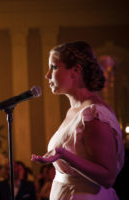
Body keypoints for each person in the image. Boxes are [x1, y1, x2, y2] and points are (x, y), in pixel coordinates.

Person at [31, 41, 124, 200]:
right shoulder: (74, 111)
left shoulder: (94, 114)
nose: (47, 75)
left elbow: (108, 177)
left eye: (53, 67)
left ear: (75, 70)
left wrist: (64, 155)